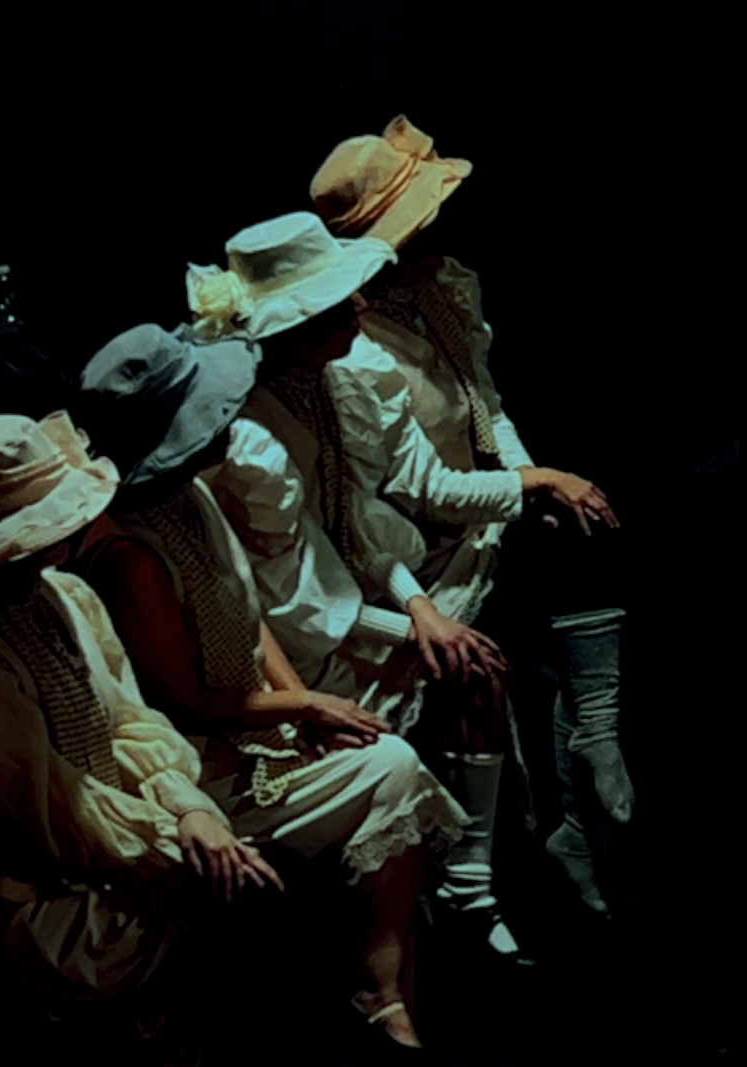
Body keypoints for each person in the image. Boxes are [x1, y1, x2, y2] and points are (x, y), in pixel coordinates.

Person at [76, 322, 472, 1052]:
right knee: (391, 766)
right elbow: (185, 701)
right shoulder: (130, 556)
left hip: (259, 727)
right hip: (203, 766)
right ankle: (380, 994)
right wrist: (302, 705)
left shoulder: (192, 497)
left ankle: (388, 994)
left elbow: (248, 616)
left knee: (381, 752)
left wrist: (301, 716)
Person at [184, 214, 536, 962]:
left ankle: (470, 886)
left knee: (474, 661)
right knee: (451, 672)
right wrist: (406, 627)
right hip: (289, 645)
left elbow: (359, 525)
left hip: (355, 606)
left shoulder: (340, 378)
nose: (364, 308)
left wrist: (417, 605)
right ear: (299, 328)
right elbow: (287, 594)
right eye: (342, 304)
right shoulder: (247, 435)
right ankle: (389, 912)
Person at [309, 115, 633, 913]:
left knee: (587, 526)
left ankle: (595, 738)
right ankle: (496, 871)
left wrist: (534, 483)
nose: (439, 227)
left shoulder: (448, 285)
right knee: (491, 656)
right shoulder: (355, 348)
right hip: (417, 540)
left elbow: (484, 407)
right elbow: (419, 488)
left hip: (483, 507)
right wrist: (532, 484)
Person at [0, 411, 281, 1059]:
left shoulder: (65, 595)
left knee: (248, 881)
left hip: (122, 846)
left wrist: (190, 807)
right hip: (44, 897)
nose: (56, 546)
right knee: (239, 900)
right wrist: (177, 843)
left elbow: (129, 722)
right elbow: (56, 815)